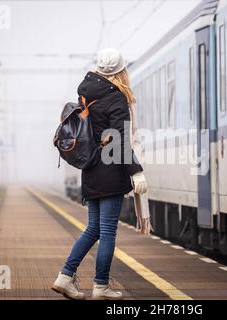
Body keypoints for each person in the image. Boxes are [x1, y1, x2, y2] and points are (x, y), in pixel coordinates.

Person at [52, 48, 148, 300]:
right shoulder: (116, 98)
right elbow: (121, 139)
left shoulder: (86, 92)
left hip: (91, 167)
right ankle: (101, 286)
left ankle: (65, 277)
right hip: (111, 170)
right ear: (120, 72)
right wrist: (136, 171)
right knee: (106, 231)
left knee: (93, 228)